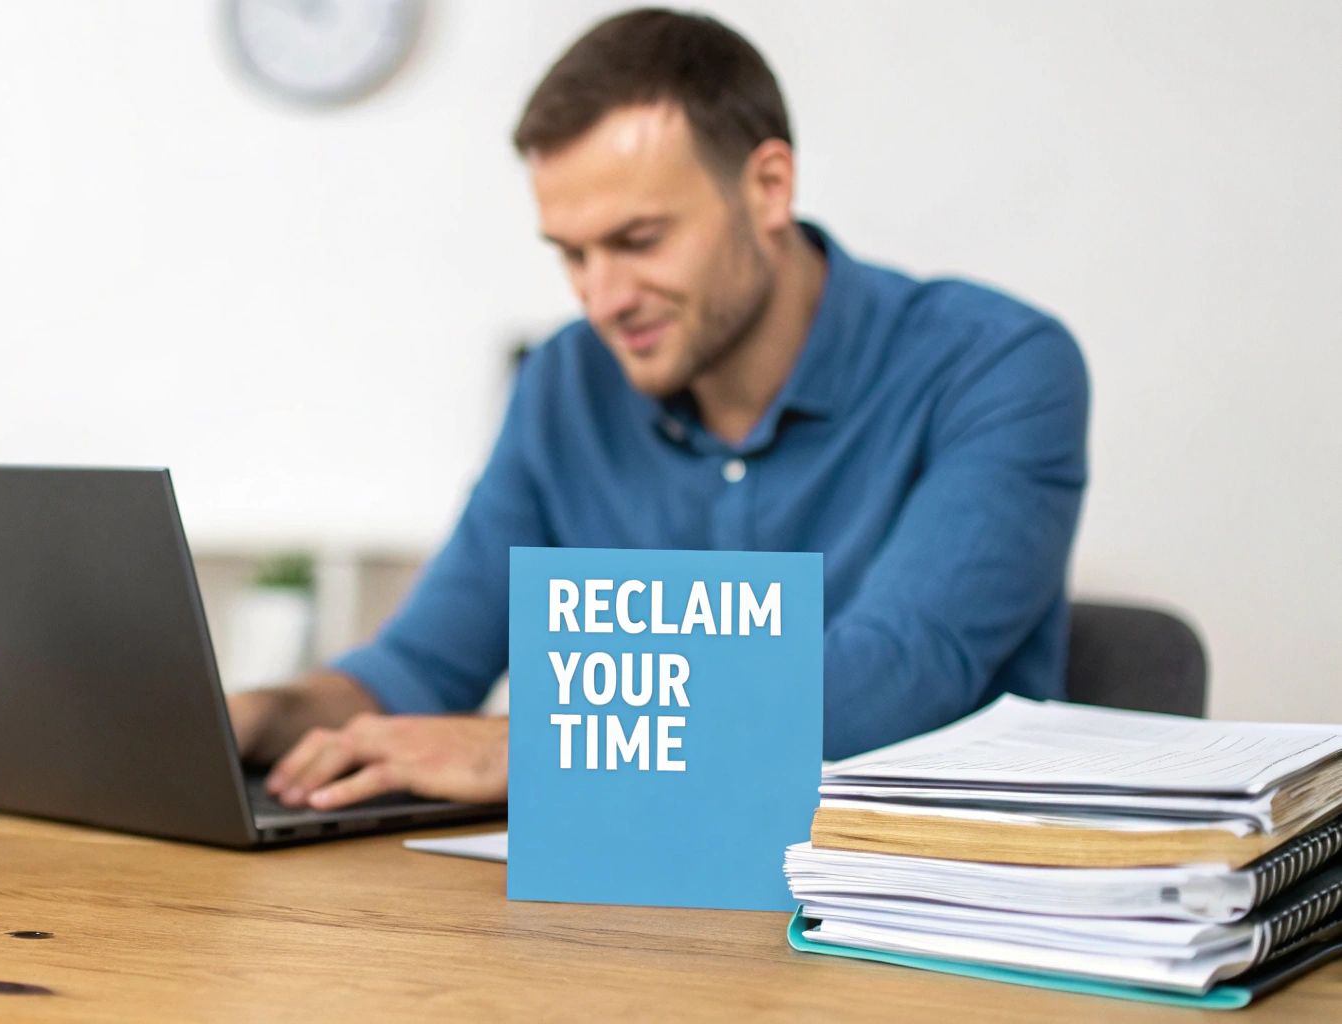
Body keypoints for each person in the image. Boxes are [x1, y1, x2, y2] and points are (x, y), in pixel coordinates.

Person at [229, 8, 1089, 812]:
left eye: (639, 242)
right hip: (632, 924)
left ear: (769, 188)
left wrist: (523, 749)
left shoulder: (996, 365)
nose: (603, 298)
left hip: (916, 924)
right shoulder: (567, 381)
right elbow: (421, 665)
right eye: (572, 255)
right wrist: (267, 715)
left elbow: (892, 683)